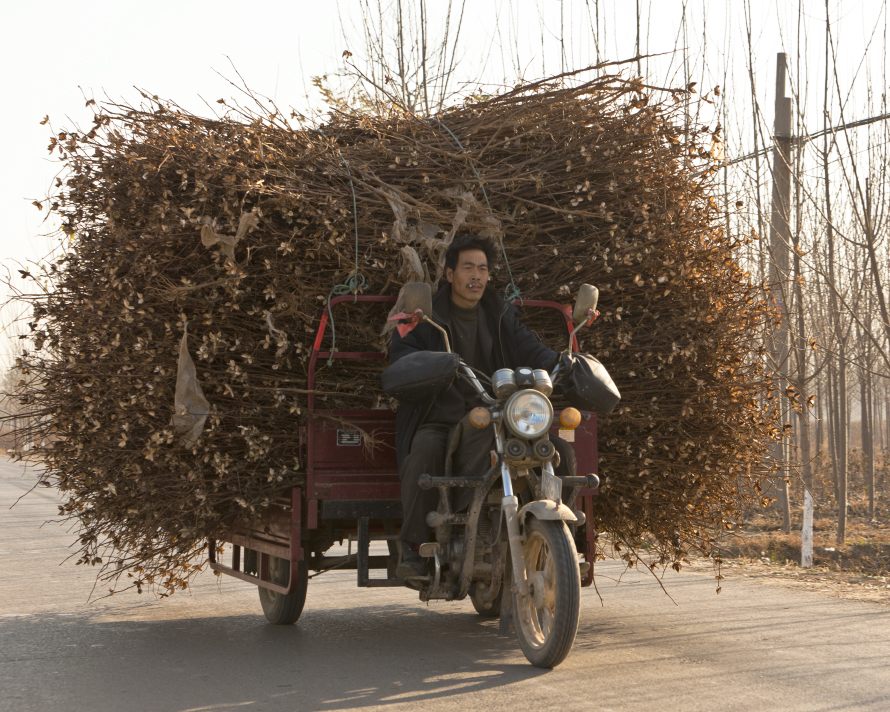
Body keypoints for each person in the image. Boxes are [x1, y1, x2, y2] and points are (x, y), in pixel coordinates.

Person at [388, 233, 559, 579]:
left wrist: (560, 364)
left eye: (482, 269)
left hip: (497, 412)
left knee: (555, 450)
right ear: (450, 274)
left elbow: (528, 346)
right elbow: (400, 359)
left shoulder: (499, 313)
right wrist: (436, 365)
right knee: (424, 452)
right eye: (468, 267)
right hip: (442, 414)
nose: (476, 276)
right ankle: (412, 548)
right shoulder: (426, 317)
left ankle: (552, 532)